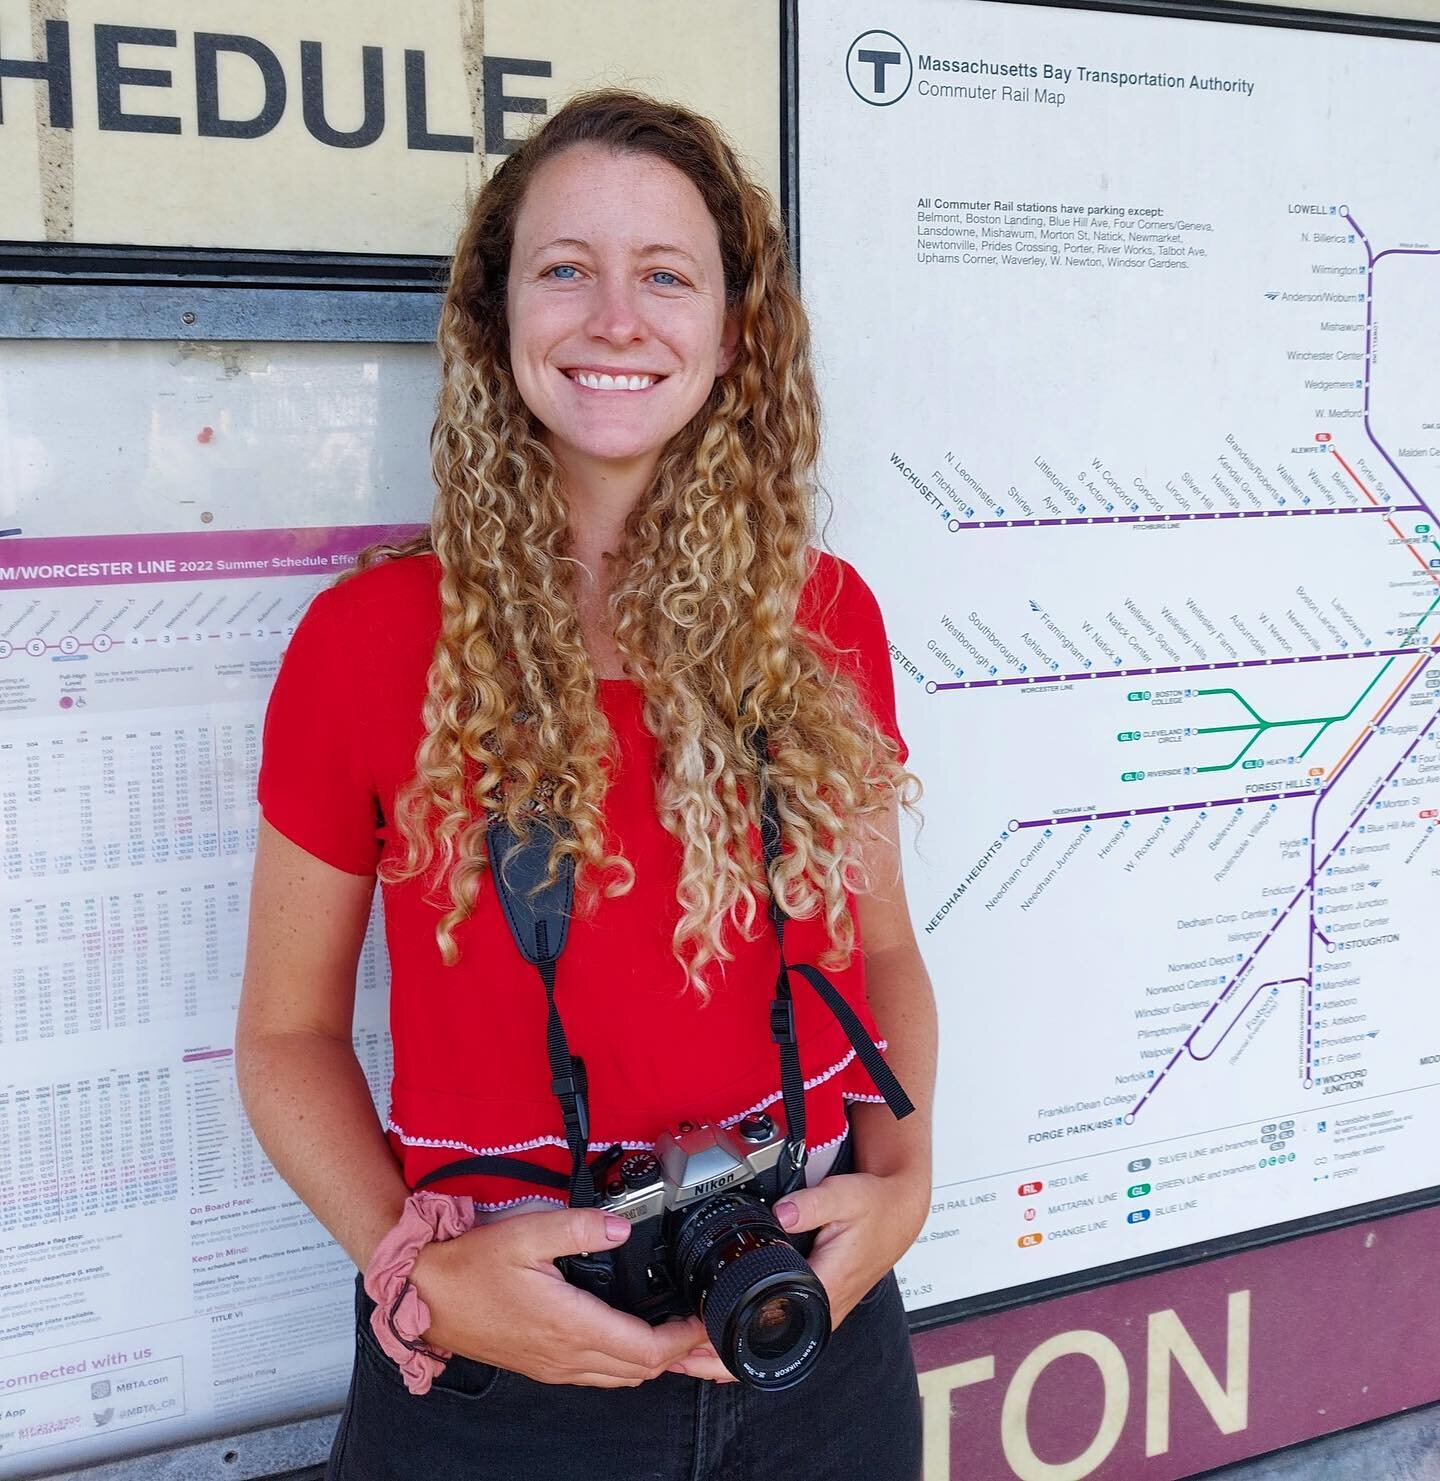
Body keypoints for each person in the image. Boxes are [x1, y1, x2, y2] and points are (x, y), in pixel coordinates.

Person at [237, 89, 936, 1480]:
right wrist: (418, 1272)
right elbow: (285, 1037)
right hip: (501, 1377)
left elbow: (885, 948)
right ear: (498, 318)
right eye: (566, 269)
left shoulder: (826, 619)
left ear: (732, 334)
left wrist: (903, 1189)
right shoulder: (368, 644)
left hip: (805, 1331)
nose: (617, 316)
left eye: (664, 275)